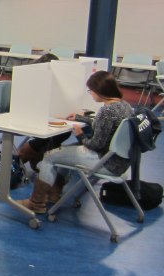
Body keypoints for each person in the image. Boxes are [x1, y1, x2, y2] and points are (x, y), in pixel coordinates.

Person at [16, 71, 134, 213]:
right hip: (120, 162)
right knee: (65, 153)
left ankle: (36, 203)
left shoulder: (106, 111)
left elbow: (95, 144)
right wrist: (81, 118)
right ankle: (54, 193)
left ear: (99, 91)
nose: (91, 94)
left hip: (104, 162)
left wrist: (80, 135)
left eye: (91, 91)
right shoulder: (125, 106)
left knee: (49, 156)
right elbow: (106, 127)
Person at [17, 53, 71, 170]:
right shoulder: (30, 78)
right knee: (54, 132)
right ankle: (36, 154)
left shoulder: (52, 80)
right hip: (28, 114)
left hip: (45, 115)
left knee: (65, 131)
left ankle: (38, 155)